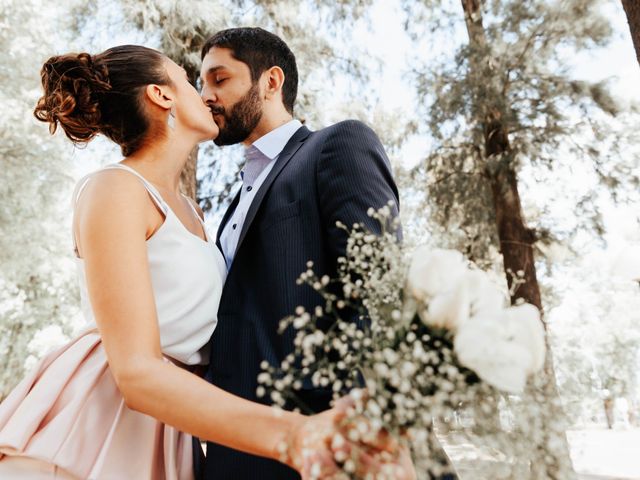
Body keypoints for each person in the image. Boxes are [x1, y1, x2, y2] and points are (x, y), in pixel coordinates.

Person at [0, 44, 362, 480]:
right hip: (103, 412)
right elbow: (135, 370)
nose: (206, 95)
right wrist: (295, 434)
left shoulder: (194, 214)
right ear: (162, 95)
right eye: (192, 83)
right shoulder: (115, 189)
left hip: (172, 424)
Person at [198, 27, 402, 479]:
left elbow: (376, 291)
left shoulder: (336, 146)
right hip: (240, 448)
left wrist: (344, 427)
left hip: (324, 442)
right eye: (201, 84)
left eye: (219, 79)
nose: (206, 96)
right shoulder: (237, 199)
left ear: (271, 82)